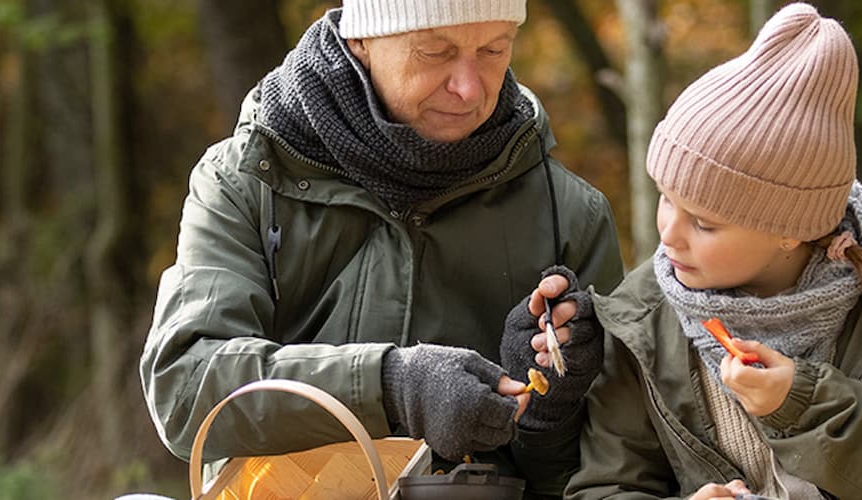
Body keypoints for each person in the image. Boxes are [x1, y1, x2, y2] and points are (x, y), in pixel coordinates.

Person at [510, 4, 862, 498]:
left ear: (790, 230)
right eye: (667, 198)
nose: (669, 236)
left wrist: (805, 405)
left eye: (704, 222)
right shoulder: (643, 316)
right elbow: (604, 488)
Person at [138, 1, 624, 497]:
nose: (469, 86)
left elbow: (612, 474)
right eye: (436, 52)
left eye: (494, 50)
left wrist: (548, 411)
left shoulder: (569, 213)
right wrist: (389, 386)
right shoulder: (247, 180)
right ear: (362, 41)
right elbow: (185, 387)